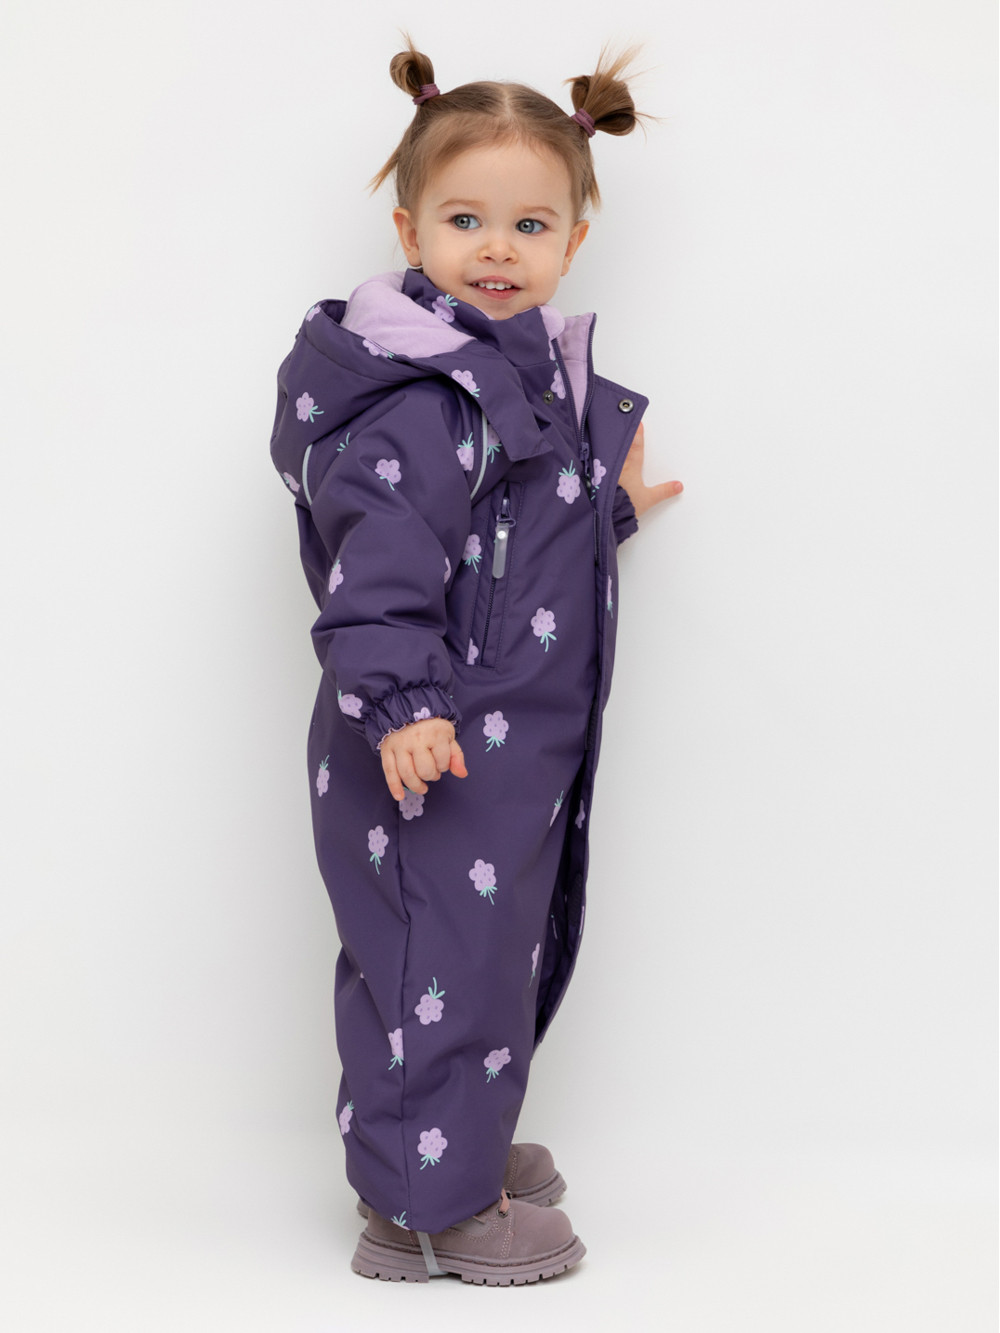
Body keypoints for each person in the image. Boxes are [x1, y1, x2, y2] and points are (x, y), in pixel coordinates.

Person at [269, 38, 682, 1285]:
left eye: (528, 224)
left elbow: (498, 554)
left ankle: (454, 1148)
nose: (496, 248)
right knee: (427, 961)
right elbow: (384, 566)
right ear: (409, 230)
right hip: (427, 742)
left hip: (504, 749)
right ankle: (423, 1211)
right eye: (465, 220)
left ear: (572, 239)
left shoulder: (515, 376)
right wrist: (400, 701)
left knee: (487, 957)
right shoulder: (418, 400)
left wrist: (603, 515)